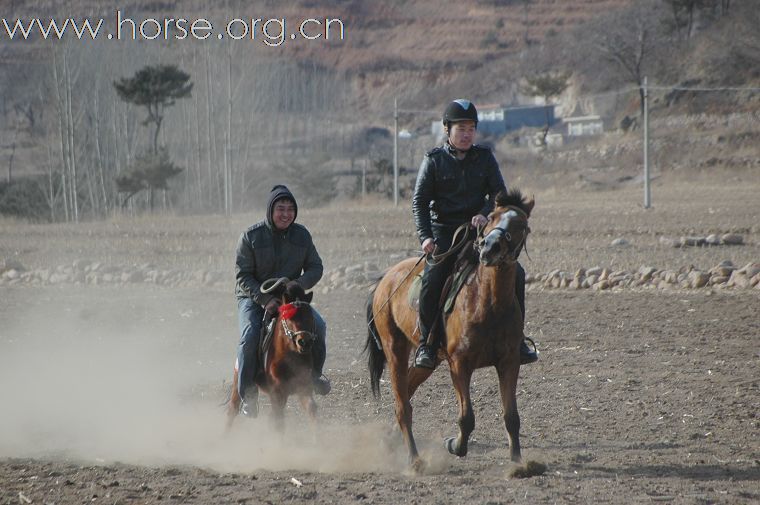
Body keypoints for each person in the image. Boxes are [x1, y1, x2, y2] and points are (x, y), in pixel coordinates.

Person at [412, 99, 539, 369]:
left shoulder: (485, 157)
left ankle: (518, 341)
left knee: (516, 273)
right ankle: (427, 343)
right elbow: (419, 202)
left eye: (471, 128)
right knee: (433, 279)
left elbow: (499, 194)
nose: (467, 134)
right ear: (447, 130)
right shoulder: (433, 161)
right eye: (461, 128)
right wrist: (425, 237)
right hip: (444, 233)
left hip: (480, 232)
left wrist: (484, 212)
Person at [234, 184, 331, 417]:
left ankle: (315, 375)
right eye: (280, 208)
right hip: (253, 297)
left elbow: (316, 267)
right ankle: (248, 393)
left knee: (319, 325)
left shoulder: (302, 235)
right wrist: (264, 298)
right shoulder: (251, 236)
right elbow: (242, 275)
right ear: (270, 210)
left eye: (290, 209)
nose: (285, 214)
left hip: (289, 298)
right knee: (249, 336)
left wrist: (296, 286)